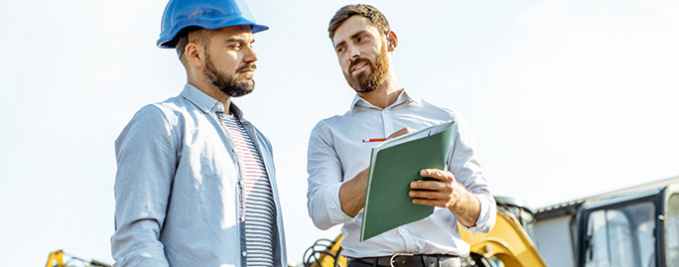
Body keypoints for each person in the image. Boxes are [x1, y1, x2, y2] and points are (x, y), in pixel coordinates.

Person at [307, 4, 497, 267]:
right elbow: (320, 212)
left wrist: (456, 196)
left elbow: (487, 217)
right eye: (341, 48)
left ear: (391, 40)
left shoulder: (446, 120)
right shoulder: (328, 133)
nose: (352, 53)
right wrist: (381, 168)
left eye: (360, 38)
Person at [111, 0, 286, 266]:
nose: (252, 56)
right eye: (235, 45)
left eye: (251, 43)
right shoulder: (161, 123)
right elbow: (137, 241)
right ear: (195, 54)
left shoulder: (260, 142)